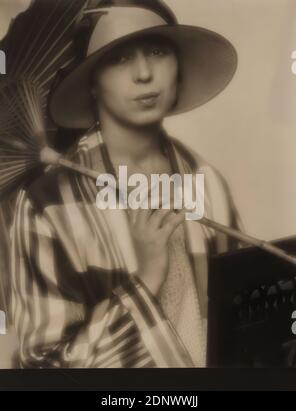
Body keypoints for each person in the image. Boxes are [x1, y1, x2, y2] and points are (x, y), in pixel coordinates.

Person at [10, 0, 242, 368]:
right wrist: (144, 279)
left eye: (156, 50)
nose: (144, 74)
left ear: (178, 67)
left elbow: (243, 325)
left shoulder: (206, 180)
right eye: (118, 58)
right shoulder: (49, 203)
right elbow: (43, 368)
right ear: (92, 83)